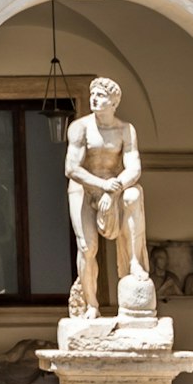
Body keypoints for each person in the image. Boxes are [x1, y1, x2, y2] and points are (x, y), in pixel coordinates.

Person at [63, 77, 149, 318]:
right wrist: (102, 185)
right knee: (86, 247)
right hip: (84, 189)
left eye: (100, 95)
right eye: (93, 94)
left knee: (134, 194)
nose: (94, 99)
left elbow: (134, 168)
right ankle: (92, 305)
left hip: (114, 189)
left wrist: (114, 189)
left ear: (114, 102)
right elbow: (71, 168)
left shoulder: (125, 130)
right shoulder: (80, 127)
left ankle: (134, 261)